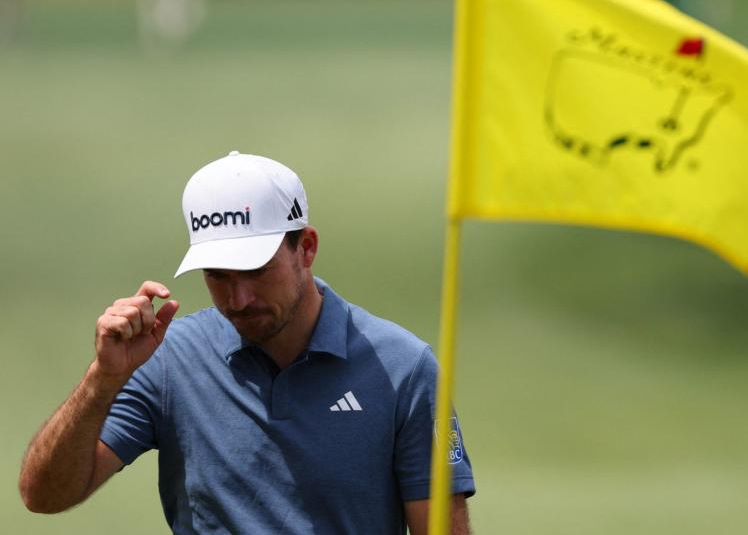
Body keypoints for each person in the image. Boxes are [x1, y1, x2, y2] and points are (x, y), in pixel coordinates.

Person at [19, 151, 476, 534]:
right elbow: (43, 496)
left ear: (307, 247)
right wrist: (103, 380)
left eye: (257, 270)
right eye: (218, 275)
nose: (238, 298)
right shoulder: (169, 360)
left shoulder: (403, 368)